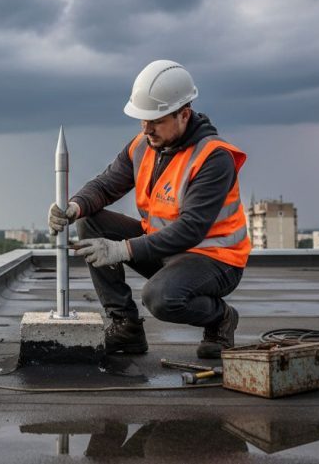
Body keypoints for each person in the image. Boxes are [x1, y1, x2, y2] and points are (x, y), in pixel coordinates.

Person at [48, 60, 250, 359]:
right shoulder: (143, 145)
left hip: (215, 259)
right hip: (166, 250)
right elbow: (105, 186)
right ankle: (126, 325)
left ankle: (220, 317)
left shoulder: (213, 157)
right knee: (90, 220)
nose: (146, 128)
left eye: (156, 120)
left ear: (184, 114)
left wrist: (121, 250)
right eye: (143, 119)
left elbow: (190, 229)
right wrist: (73, 207)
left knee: (161, 298)